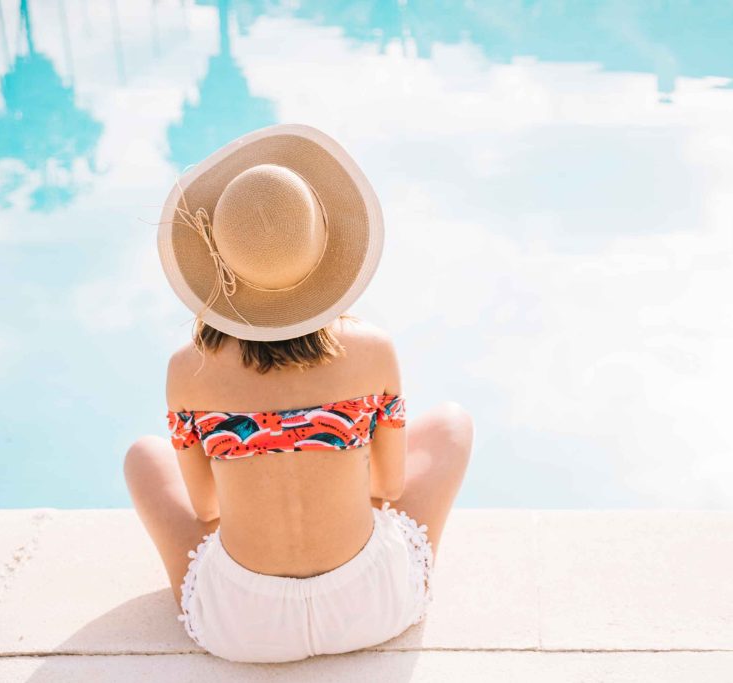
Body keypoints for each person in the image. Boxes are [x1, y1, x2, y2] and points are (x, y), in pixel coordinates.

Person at [123, 124, 473, 663]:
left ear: (218, 258)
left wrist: (258, 447)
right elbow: (389, 485)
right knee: (450, 424)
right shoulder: (372, 350)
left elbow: (207, 507)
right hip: (372, 608)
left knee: (144, 457)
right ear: (324, 253)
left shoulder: (187, 370)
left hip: (239, 627)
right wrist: (326, 442)